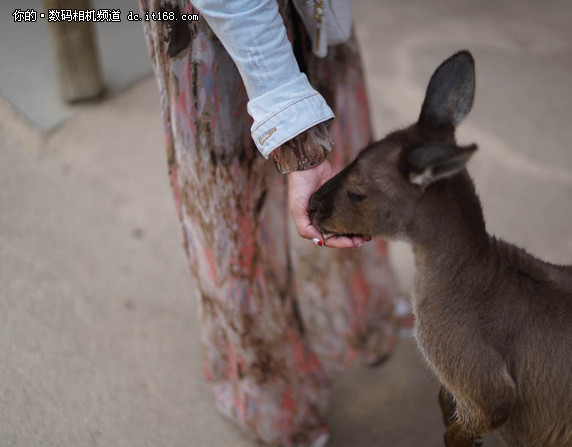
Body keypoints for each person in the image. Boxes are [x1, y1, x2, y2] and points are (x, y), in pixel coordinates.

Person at [139, 1, 402, 445]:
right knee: (239, 209)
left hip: (310, 10)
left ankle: (357, 311)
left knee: (341, 160)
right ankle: (269, 384)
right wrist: (297, 139)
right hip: (207, 24)